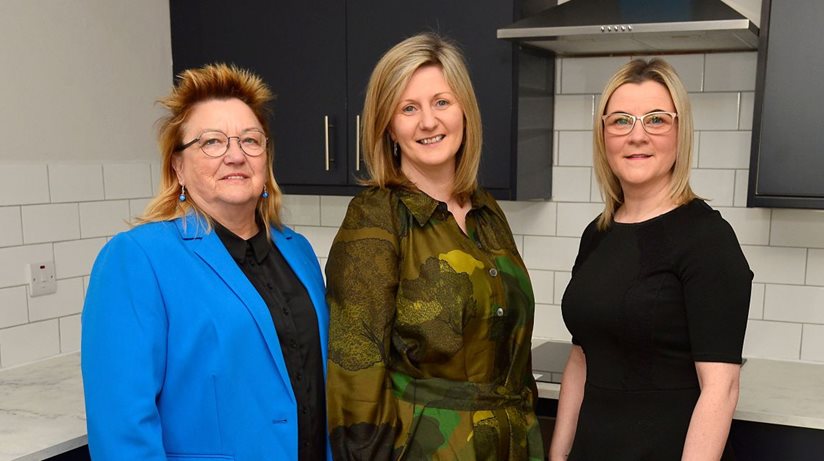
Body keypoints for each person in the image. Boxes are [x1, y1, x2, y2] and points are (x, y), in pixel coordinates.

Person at [81, 63, 331, 460]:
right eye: (211, 142)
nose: (235, 155)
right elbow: (122, 433)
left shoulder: (297, 251)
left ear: (265, 159)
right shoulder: (137, 259)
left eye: (250, 140)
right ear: (178, 166)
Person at [324, 32, 544, 460]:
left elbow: (514, 363)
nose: (429, 122)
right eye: (409, 108)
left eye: (441, 102)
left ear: (465, 110)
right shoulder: (377, 216)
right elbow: (355, 373)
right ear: (388, 125)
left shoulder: (487, 211)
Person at [549, 58, 752, 461]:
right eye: (621, 120)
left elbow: (721, 387)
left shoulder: (708, 238)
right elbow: (581, 358)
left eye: (656, 120)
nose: (637, 135)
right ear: (603, 135)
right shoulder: (597, 234)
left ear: (680, 133)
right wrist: (557, 456)